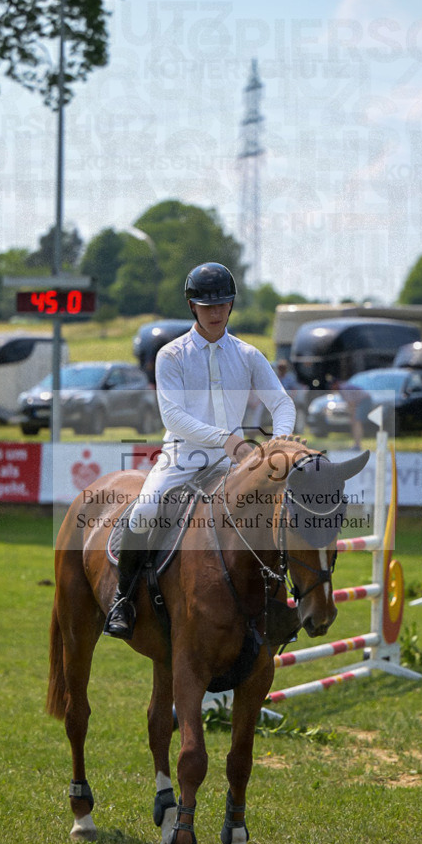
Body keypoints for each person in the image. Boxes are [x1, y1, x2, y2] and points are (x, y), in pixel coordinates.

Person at [103, 261, 297, 640]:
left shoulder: (249, 355)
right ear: (192, 307)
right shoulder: (171, 355)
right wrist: (227, 439)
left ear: (231, 305)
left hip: (234, 463)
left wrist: (278, 445)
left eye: (222, 305)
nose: (215, 313)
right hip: (182, 458)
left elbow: (283, 404)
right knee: (145, 509)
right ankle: (123, 599)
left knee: (273, 517)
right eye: (207, 306)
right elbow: (172, 416)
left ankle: (277, 603)